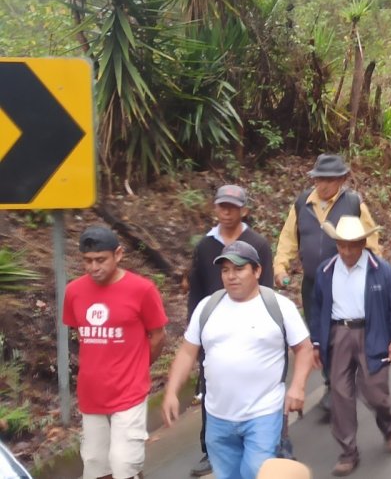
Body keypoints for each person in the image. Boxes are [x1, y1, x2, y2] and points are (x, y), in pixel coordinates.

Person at [163, 242, 314, 479]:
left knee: (257, 471)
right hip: (218, 417)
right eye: (225, 270)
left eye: (239, 269)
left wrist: (298, 386)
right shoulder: (208, 307)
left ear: (257, 271)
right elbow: (186, 352)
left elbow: (304, 349)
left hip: (263, 413)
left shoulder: (278, 306)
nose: (231, 276)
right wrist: (172, 392)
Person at [64, 226, 167, 479]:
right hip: (92, 393)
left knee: (125, 464)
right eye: (88, 261)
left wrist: (138, 365)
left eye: (101, 260)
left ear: (118, 255)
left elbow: (158, 335)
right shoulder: (74, 291)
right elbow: (81, 334)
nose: (93, 267)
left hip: (129, 390)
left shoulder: (141, 290)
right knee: (95, 463)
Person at [309, 217, 391, 476]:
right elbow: (317, 306)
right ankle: (348, 452)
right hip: (338, 333)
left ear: (363, 243)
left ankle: (388, 424)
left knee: (375, 393)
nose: (346, 251)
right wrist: (318, 342)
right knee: (340, 394)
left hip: (373, 332)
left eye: (352, 245)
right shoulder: (326, 270)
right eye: (342, 245)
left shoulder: (381, 269)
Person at [186, 186, 273, 475]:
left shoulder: (257, 244)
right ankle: (209, 450)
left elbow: (268, 288)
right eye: (222, 206)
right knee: (211, 386)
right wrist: (195, 331)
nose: (226, 212)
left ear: (244, 210)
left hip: (250, 324)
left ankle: (265, 440)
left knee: (256, 384)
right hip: (214, 326)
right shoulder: (205, 246)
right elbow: (196, 291)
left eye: (232, 207)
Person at [275, 152, 379, 323]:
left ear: (341, 180)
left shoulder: (353, 204)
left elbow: (371, 242)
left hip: (347, 282)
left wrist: (376, 275)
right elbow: (288, 239)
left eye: (329, 180)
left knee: (341, 331)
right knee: (315, 334)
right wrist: (280, 268)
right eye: (319, 179)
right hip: (312, 283)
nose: (323, 185)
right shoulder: (302, 203)